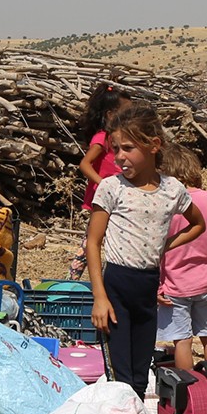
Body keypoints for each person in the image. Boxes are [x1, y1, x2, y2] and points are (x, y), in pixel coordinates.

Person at [88, 107, 206, 397]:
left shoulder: (172, 189)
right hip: (116, 285)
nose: (119, 157)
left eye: (128, 148)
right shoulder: (111, 188)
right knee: (120, 371)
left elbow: (198, 224)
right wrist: (100, 298)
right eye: (115, 149)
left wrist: (165, 246)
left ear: (154, 145)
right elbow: (93, 242)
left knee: (141, 370)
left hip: (148, 285)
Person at [157, 144, 207, 372]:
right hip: (204, 282)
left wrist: (157, 283)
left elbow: (154, 247)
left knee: (182, 340)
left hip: (173, 284)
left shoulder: (164, 202)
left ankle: (188, 390)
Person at [70, 84, 132, 278]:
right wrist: (103, 183)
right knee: (92, 239)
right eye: (127, 113)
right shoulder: (103, 138)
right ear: (111, 114)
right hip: (105, 198)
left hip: (118, 197)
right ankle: (72, 281)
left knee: (99, 239)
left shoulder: (119, 139)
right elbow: (85, 164)